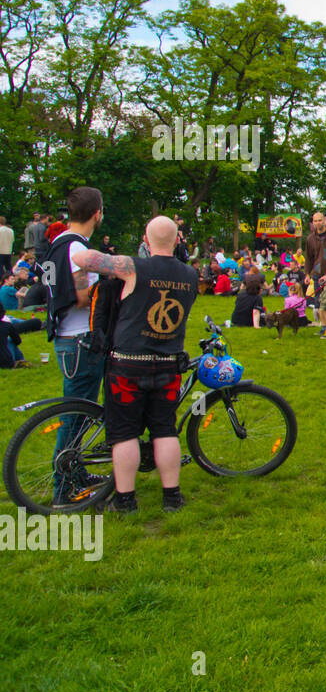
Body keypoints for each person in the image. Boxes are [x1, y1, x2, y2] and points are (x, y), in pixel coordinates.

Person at [71, 216, 197, 513]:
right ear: (178, 240)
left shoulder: (133, 267)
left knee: (124, 433)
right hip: (168, 363)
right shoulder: (190, 274)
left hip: (129, 363)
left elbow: (80, 257)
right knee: (165, 431)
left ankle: (125, 500)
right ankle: (172, 498)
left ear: (145, 238)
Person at [41, 188, 107, 504]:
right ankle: (63, 490)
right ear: (97, 213)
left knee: (80, 414)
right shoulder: (76, 250)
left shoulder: (56, 245)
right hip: (81, 340)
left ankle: (77, 474)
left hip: (66, 338)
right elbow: (83, 297)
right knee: (75, 417)